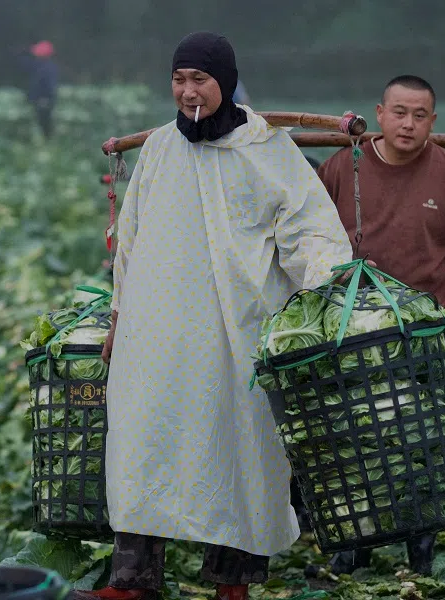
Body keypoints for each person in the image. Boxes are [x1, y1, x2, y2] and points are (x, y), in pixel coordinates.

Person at [73, 32, 351, 600]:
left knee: (241, 448)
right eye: (178, 79)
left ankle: (233, 583)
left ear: (223, 82)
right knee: (143, 439)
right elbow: (131, 236)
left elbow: (309, 229)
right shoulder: (158, 149)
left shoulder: (269, 149)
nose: (187, 91)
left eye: (199, 79)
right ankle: (133, 581)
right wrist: (120, 313)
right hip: (159, 327)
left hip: (237, 328)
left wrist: (326, 292)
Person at [315, 75, 445, 575]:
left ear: (433, 122)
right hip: (350, 333)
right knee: (350, 443)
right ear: (379, 113)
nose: (408, 123)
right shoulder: (343, 167)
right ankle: (348, 552)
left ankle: (419, 557)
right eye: (399, 112)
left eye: (419, 115)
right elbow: (305, 235)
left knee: (423, 445)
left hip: (423, 336)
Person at [27, 40, 58, 139]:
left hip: (44, 100)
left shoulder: (47, 68)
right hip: (40, 99)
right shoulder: (40, 66)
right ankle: (46, 139)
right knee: (41, 121)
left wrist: (46, 99)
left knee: (45, 122)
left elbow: (49, 86)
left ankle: (47, 140)